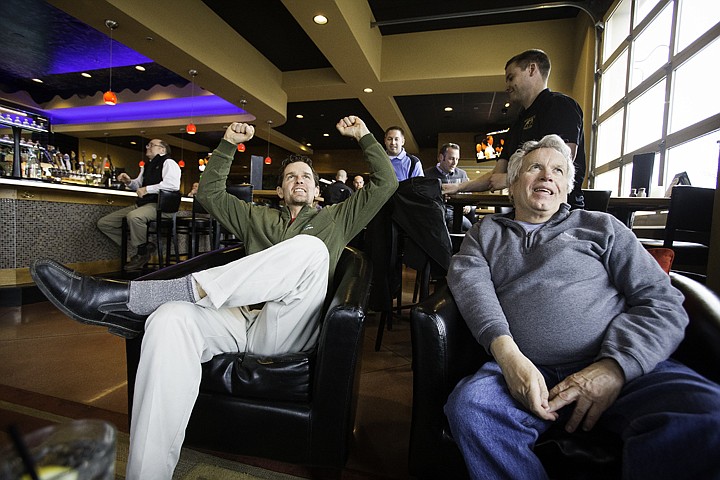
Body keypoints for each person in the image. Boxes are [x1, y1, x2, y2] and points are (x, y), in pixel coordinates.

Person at [29, 115, 398, 479]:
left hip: (288, 328)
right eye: (290, 177)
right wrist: (227, 143)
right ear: (281, 191)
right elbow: (208, 194)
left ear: (317, 189)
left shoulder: (339, 217)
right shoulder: (256, 216)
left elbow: (386, 183)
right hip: (239, 318)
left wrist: (364, 134)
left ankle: (136, 296)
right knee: (168, 319)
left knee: (312, 250)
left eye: (306, 177)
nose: (298, 180)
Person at [444, 134, 720, 480]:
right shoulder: (486, 233)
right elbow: (472, 289)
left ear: (566, 187)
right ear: (513, 184)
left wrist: (614, 368)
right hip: (529, 369)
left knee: (706, 414)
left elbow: (662, 301)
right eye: (535, 168)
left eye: (558, 170)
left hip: (622, 366)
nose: (547, 176)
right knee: (471, 409)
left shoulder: (601, 226)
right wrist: (510, 358)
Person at [444, 49, 586, 209]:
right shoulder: (518, 122)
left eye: (511, 78)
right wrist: (459, 187)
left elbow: (561, 162)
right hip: (525, 212)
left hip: (560, 213)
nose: (507, 86)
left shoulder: (560, 105)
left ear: (532, 69)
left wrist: (510, 178)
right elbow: (496, 176)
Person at [96, 139, 181, 271]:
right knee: (104, 223)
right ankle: (143, 246)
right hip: (144, 205)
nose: (148, 147)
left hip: (160, 206)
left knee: (134, 217)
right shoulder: (147, 166)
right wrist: (129, 182)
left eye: (152, 145)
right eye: (148, 145)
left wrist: (147, 189)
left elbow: (172, 185)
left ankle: (141, 253)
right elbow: (139, 186)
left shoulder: (169, 162)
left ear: (162, 150)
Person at [423, 142, 475, 231]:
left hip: (456, 213)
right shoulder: (427, 174)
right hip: (434, 213)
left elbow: (468, 194)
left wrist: (468, 206)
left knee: (469, 228)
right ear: (441, 158)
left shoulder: (462, 174)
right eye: (451, 159)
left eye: (457, 159)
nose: (455, 163)